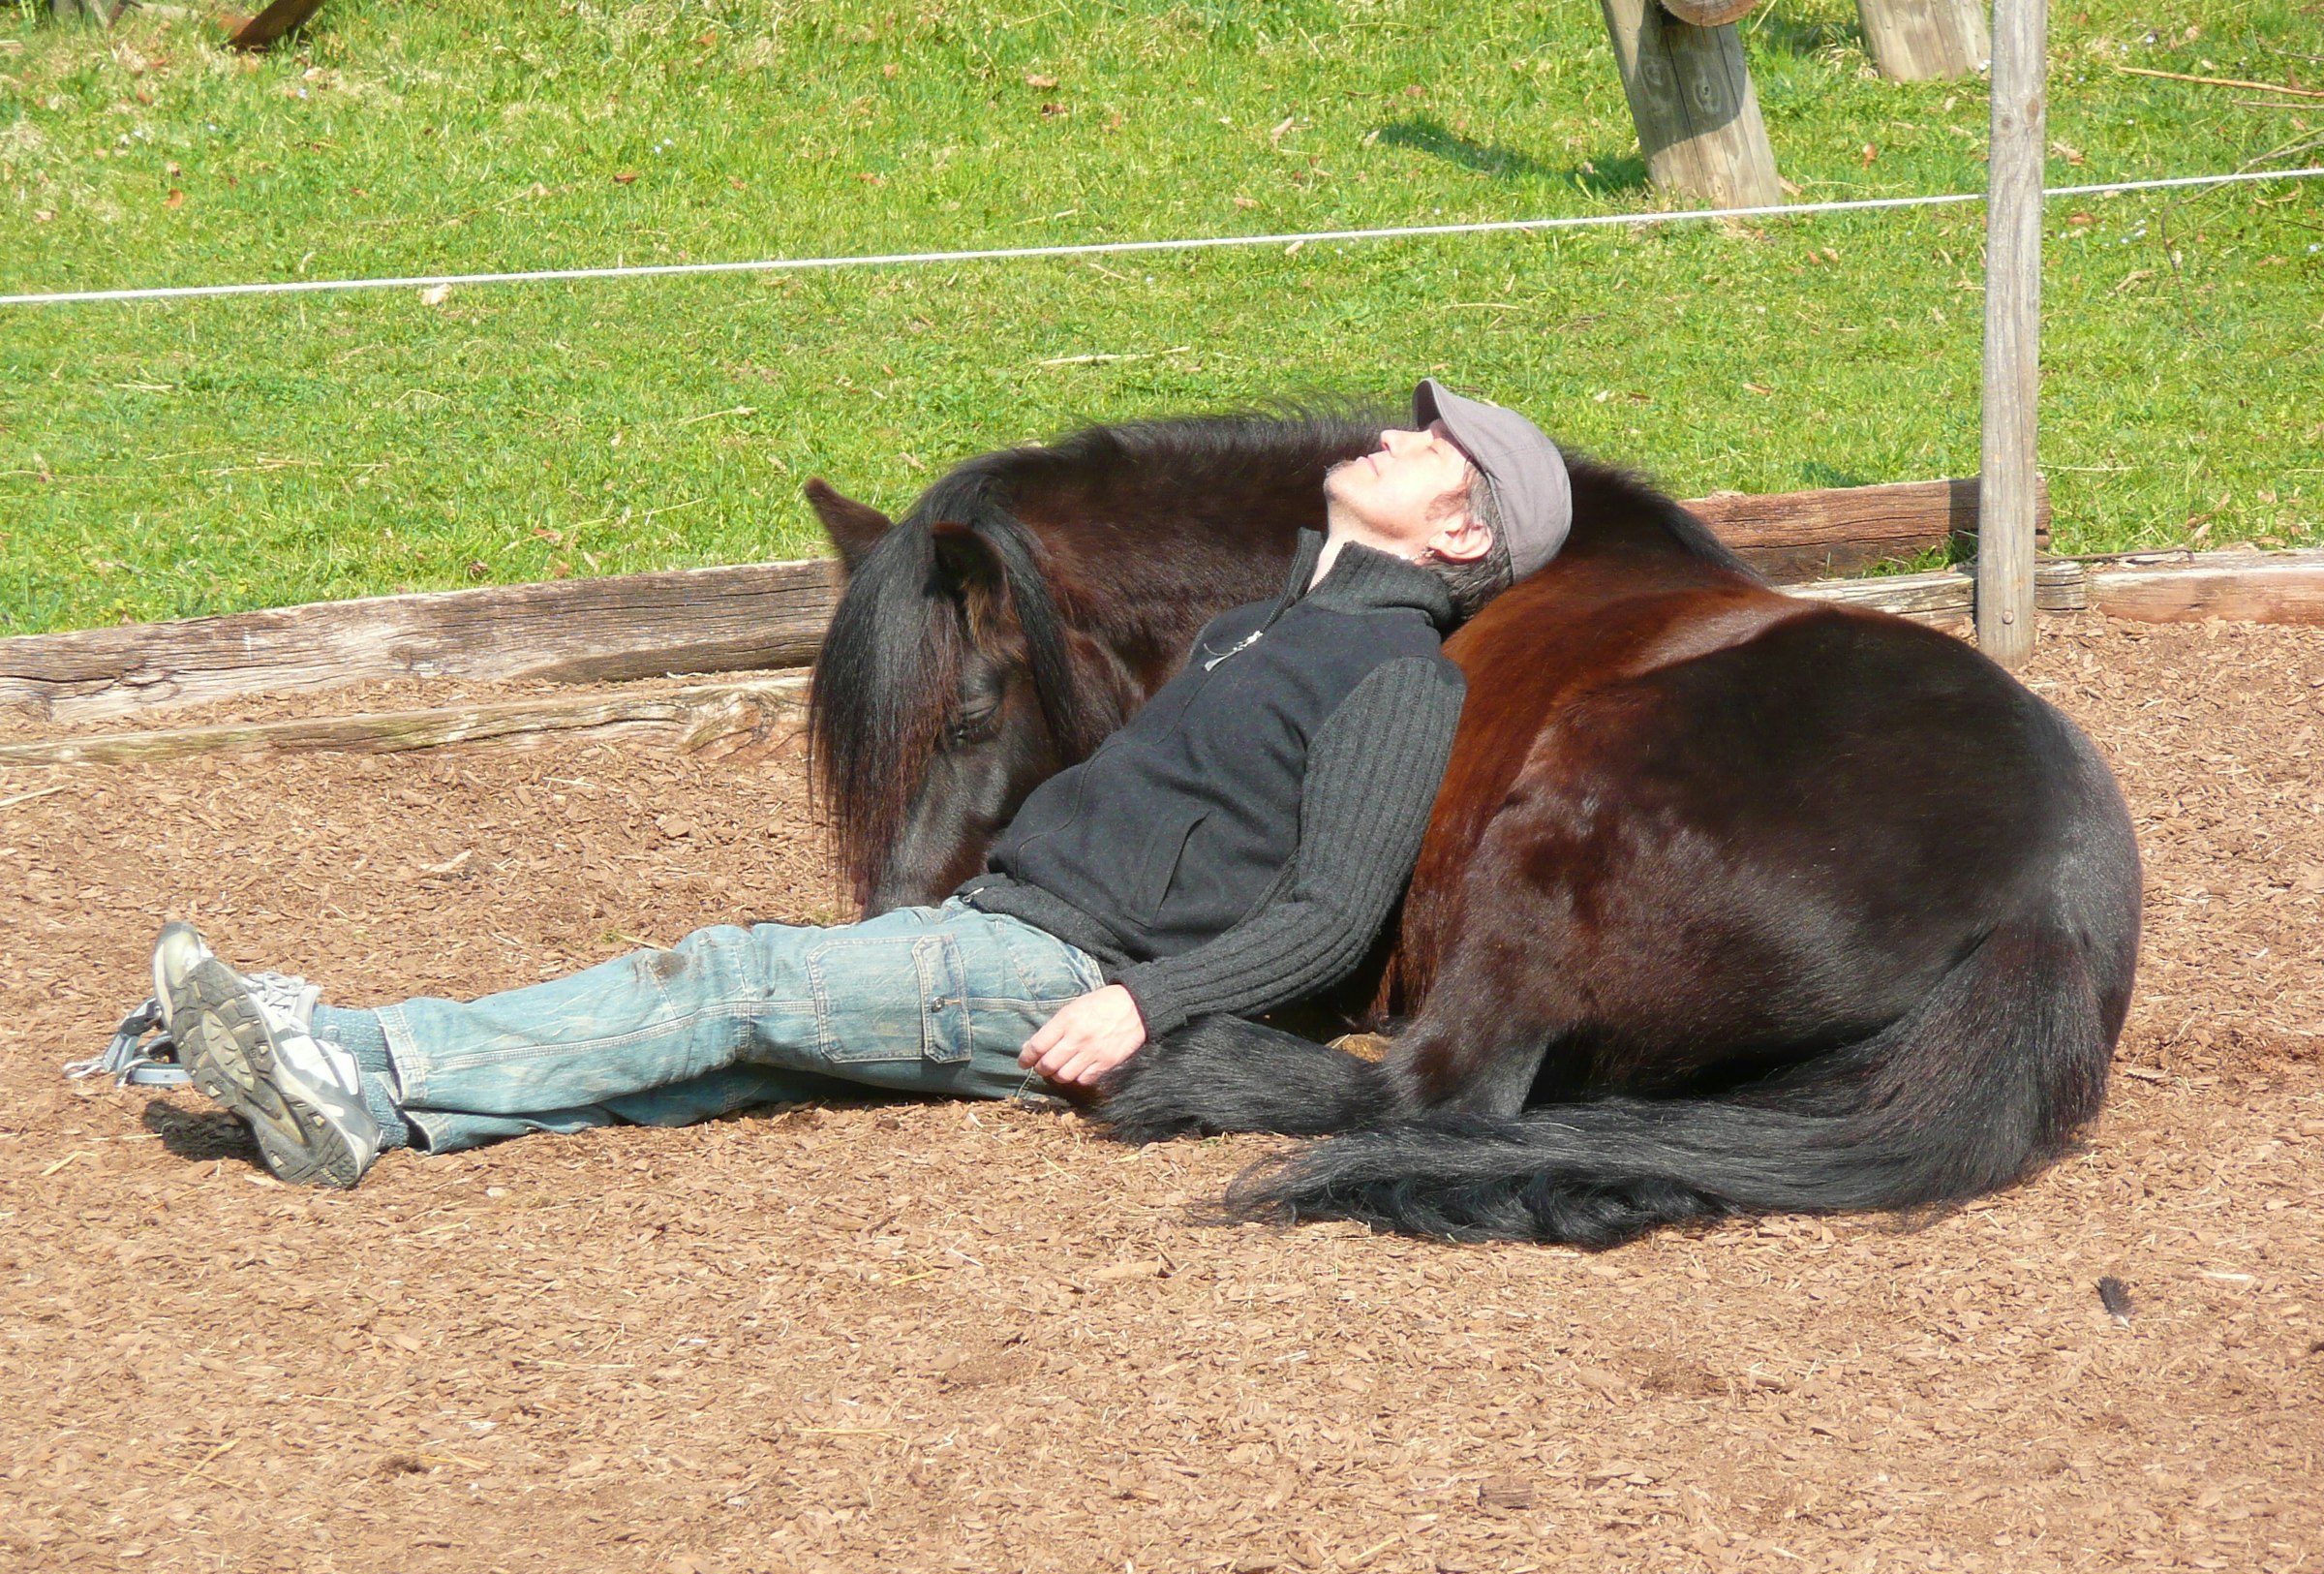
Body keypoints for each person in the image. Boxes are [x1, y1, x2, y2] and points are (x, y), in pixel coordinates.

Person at [146, 383, 1573, 1188]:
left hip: (1063, 970)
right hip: (1015, 934)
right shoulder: (1252, 626)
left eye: (1426, 450)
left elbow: (1330, 916)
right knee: (736, 1051)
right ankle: (372, 1109)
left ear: (1457, 535)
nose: (1389, 437)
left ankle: (360, 1057)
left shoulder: (1398, 676)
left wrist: (1144, 1000)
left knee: (724, 978)